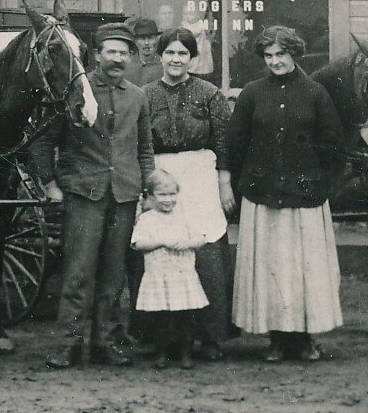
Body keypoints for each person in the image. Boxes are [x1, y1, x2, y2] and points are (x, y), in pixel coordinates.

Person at [31, 21, 154, 369]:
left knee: (115, 275)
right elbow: (43, 142)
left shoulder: (138, 96)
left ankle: (106, 342)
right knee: (79, 272)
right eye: (110, 51)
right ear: (96, 55)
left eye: (123, 52)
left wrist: (146, 187)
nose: (116, 58)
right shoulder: (75, 91)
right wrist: (51, 184)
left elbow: (144, 149)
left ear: (131, 57)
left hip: (125, 194)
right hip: (84, 192)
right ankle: (67, 345)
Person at [227, 25, 345, 362]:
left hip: (304, 196)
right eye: (269, 56)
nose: (275, 61)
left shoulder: (315, 93)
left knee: (303, 269)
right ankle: (276, 339)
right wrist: (244, 181)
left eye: (281, 54)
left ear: (294, 54)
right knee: (271, 268)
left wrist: (320, 182)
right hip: (263, 195)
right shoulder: (252, 93)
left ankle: (305, 338)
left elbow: (333, 145)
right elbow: (236, 143)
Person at [140, 26, 236, 360]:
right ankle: (162, 338)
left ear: (192, 57)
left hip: (200, 178)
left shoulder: (209, 94)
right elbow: (141, 145)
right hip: (161, 177)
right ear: (160, 56)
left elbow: (224, 143)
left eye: (183, 53)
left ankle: (211, 336)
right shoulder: (146, 94)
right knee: (164, 254)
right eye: (170, 52)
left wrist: (224, 184)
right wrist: (147, 187)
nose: (176, 59)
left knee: (205, 252)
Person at [131, 170, 210, 370]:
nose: (168, 200)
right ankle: (161, 354)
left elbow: (202, 237)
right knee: (161, 319)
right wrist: (161, 241)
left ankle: (185, 353)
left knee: (185, 317)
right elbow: (138, 243)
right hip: (159, 275)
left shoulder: (185, 216)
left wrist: (188, 242)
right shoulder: (147, 219)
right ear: (150, 196)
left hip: (182, 276)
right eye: (163, 195)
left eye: (172, 194)